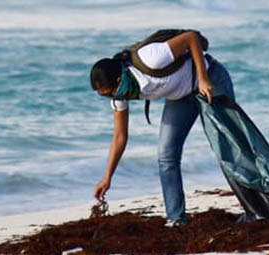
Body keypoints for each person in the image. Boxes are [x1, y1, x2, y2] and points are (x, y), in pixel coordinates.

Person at [89, 28, 234, 227]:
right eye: (106, 95)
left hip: (211, 80)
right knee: (166, 155)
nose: (113, 96)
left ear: (119, 77)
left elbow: (191, 38)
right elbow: (120, 137)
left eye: (112, 91)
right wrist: (107, 177)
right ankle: (176, 219)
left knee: (228, 146)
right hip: (181, 98)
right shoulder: (120, 96)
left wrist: (203, 79)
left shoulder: (150, 59)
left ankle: (255, 207)